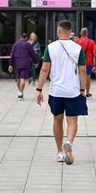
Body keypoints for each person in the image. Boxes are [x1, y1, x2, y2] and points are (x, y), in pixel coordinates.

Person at [36, 19, 88, 164]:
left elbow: (45, 69)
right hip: (73, 91)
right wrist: (83, 89)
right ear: (71, 32)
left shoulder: (50, 47)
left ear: (59, 31)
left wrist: (39, 89)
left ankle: (59, 152)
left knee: (57, 120)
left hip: (56, 91)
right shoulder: (77, 48)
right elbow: (82, 71)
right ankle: (69, 143)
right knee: (72, 121)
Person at [9, 32, 38, 99]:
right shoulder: (27, 44)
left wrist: (10, 64)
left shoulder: (15, 44)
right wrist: (35, 61)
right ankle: (21, 93)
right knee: (23, 79)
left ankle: (20, 92)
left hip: (16, 64)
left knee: (18, 79)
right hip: (25, 64)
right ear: (26, 38)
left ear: (20, 37)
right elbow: (32, 54)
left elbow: (12, 54)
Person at [74, 27, 96, 97]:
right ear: (87, 33)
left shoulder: (76, 41)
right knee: (88, 77)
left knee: (78, 76)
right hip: (88, 62)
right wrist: (94, 65)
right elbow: (94, 54)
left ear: (81, 33)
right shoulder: (92, 42)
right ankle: (87, 92)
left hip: (78, 62)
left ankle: (78, 91)